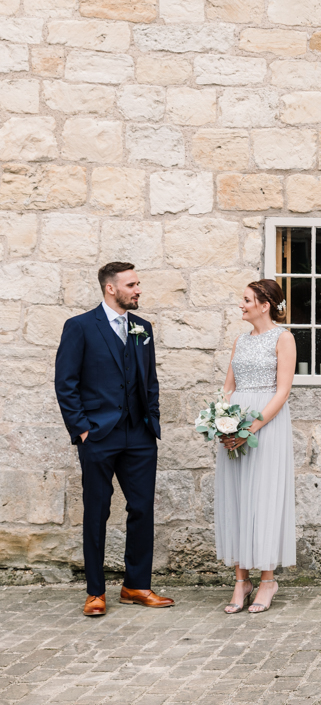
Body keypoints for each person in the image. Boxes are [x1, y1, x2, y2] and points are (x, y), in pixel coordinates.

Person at [54, 262, 174, 617]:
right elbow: (66, 383)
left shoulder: (142, 327)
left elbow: (149, 380)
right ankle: (95, 592)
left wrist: (150, 416)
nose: (138, 290)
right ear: (111, 288)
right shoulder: (79, 327)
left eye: (138, 284)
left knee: (141, 509)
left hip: (139, 435)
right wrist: (82, 429)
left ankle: (136, 585)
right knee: (97, 511)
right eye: (132, 284)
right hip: (98, 435)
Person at [215, 280, 297, 614]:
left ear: (265, 305)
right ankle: (241, 580)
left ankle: (267, 580)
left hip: (267, 424)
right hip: (236, 424)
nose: (241, 305)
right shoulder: (239, 341)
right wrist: (223, 422)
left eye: (246, 300)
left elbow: (283, 390)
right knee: (237, 496)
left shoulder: (284, 338)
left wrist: (253, 426)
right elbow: (228, 387)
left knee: (263, 498)